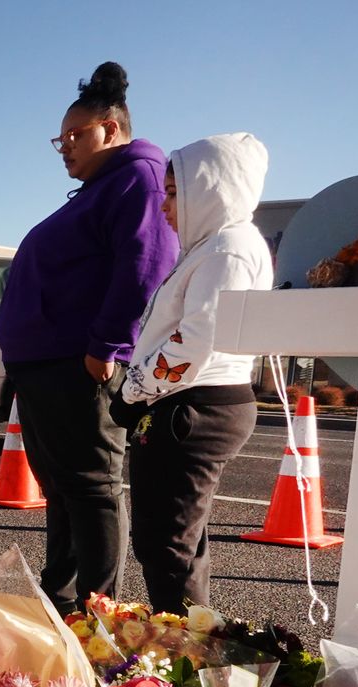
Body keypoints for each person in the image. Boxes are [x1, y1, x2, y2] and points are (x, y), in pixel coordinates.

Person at [0, 61, 178, 612]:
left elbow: (148, 261)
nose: (66, 148)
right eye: (61, 139)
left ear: (113, 130)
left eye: (78, 135)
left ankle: (98, 612)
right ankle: (63, 596)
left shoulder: (137, 177)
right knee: (63, 488)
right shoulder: (100, 189)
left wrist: (108, 345)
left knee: (92, 487)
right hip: (45, 365)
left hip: (79, 363)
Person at [118, 134, 274, 614]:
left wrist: (133, 390)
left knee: (168, 546)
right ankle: (184, 649)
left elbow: (194, 342)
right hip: (193, 402)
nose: (164, 205)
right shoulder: (216, 245)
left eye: (173, 192)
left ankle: (184, 662)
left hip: (194, 406)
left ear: (211, 188)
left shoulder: (226, 250)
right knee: (178, 541)